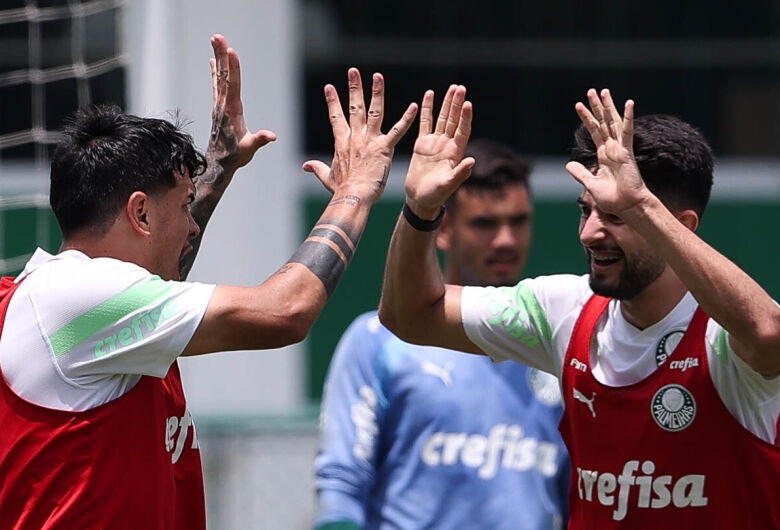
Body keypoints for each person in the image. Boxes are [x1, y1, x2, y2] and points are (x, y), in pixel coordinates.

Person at [0, 34, 419, 529]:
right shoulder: (77, 298)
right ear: (139, 211)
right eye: (182, 207)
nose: (193, 224)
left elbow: (167, 267)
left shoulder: (87, 307)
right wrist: (355, 191)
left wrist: (218, 167)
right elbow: (285, 312)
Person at [379, 85, 780, 528]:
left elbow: (768, 333)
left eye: (616, 215)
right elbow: (410, 315)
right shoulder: (563, 310)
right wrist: (420, 209)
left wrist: (642, 202)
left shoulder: (723, 334)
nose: (590, 233)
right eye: (586, 211)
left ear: (677, 227)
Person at [314, 139, 570, 530]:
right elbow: (341, 485)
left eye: (518, 221)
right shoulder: (379, 340)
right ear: (445, 228)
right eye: (485, 223)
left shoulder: (555, 342)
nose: (506, 239)